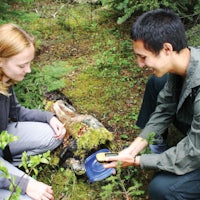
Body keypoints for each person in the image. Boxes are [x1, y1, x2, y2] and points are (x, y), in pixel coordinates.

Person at [104, 8, 200, 199]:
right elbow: (165, 108)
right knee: (157, 82)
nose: (140, 64)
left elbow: (193, 151)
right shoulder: (183, 62)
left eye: (143, 57)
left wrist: (138, 161)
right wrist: (133, 149)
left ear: (167, 49)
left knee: (162, 189)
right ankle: (159, 148)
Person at [0, 23, 66, 200]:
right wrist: (25, 184)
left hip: (2, 141)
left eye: (29, 63)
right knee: (31, 197)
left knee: (53, 135)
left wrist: (49, 118)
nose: (28, 70)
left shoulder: (4, 79)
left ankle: (10, 168)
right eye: (22, 65)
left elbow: (16, 112)